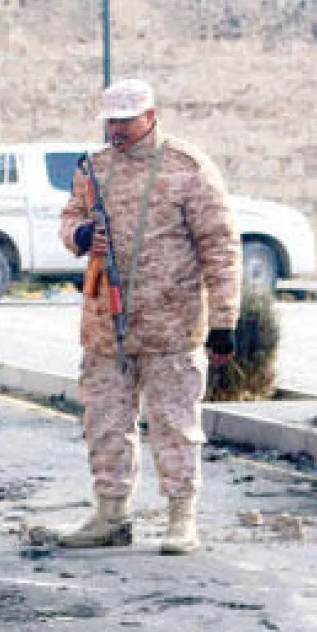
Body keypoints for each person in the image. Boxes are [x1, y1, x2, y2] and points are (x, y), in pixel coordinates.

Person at [56, 78, 241, 555]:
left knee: (175, 425)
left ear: (151, 116)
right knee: (103, 423)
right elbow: (69, 216)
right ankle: (111, 513)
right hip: (105, 328)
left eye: (126, 120)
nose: (117, 130)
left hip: (170, 327)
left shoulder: (188, 169)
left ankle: (181, 518)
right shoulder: (93, 169)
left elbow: (220, 247)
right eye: (111, 121)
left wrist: (224, 321)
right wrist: (79, 237)